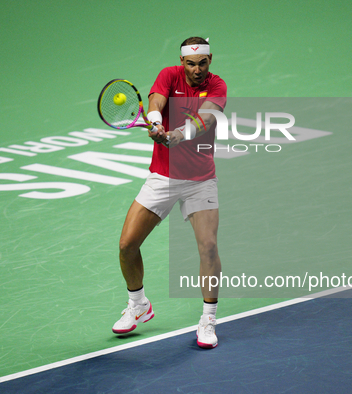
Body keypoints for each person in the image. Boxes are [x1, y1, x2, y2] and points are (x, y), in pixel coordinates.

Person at [112, 37, 227, 349]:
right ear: (182, 62)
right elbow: (157, 99)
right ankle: (138, 305)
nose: (196, 69)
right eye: (190, 63)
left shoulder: (217, 86)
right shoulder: (169, 75)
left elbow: (206, 118)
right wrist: (154, 119)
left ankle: (208, 318)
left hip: (200, 180)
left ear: (210, 60)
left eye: (202, 63)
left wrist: (179, 133)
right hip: (162, 177)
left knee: (209, 248)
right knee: (127, 245)